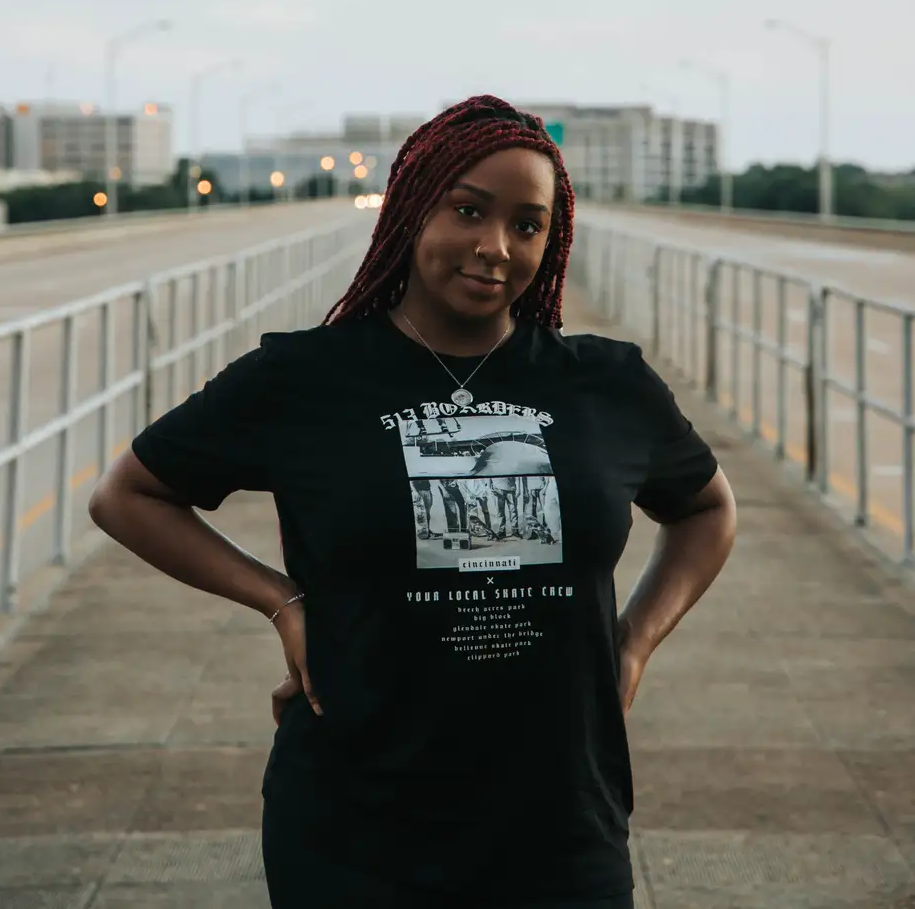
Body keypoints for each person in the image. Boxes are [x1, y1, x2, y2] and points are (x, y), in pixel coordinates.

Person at [89, 95, 736, 909]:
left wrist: (635, 642)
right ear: (410, 210)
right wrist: (280, 600)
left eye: (527, 224)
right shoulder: (306, 378)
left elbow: (708, 510)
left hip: (559, 818)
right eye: (467, 210)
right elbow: (128, 495)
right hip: (354, 823)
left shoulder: (605, 384)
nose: (494, 247)